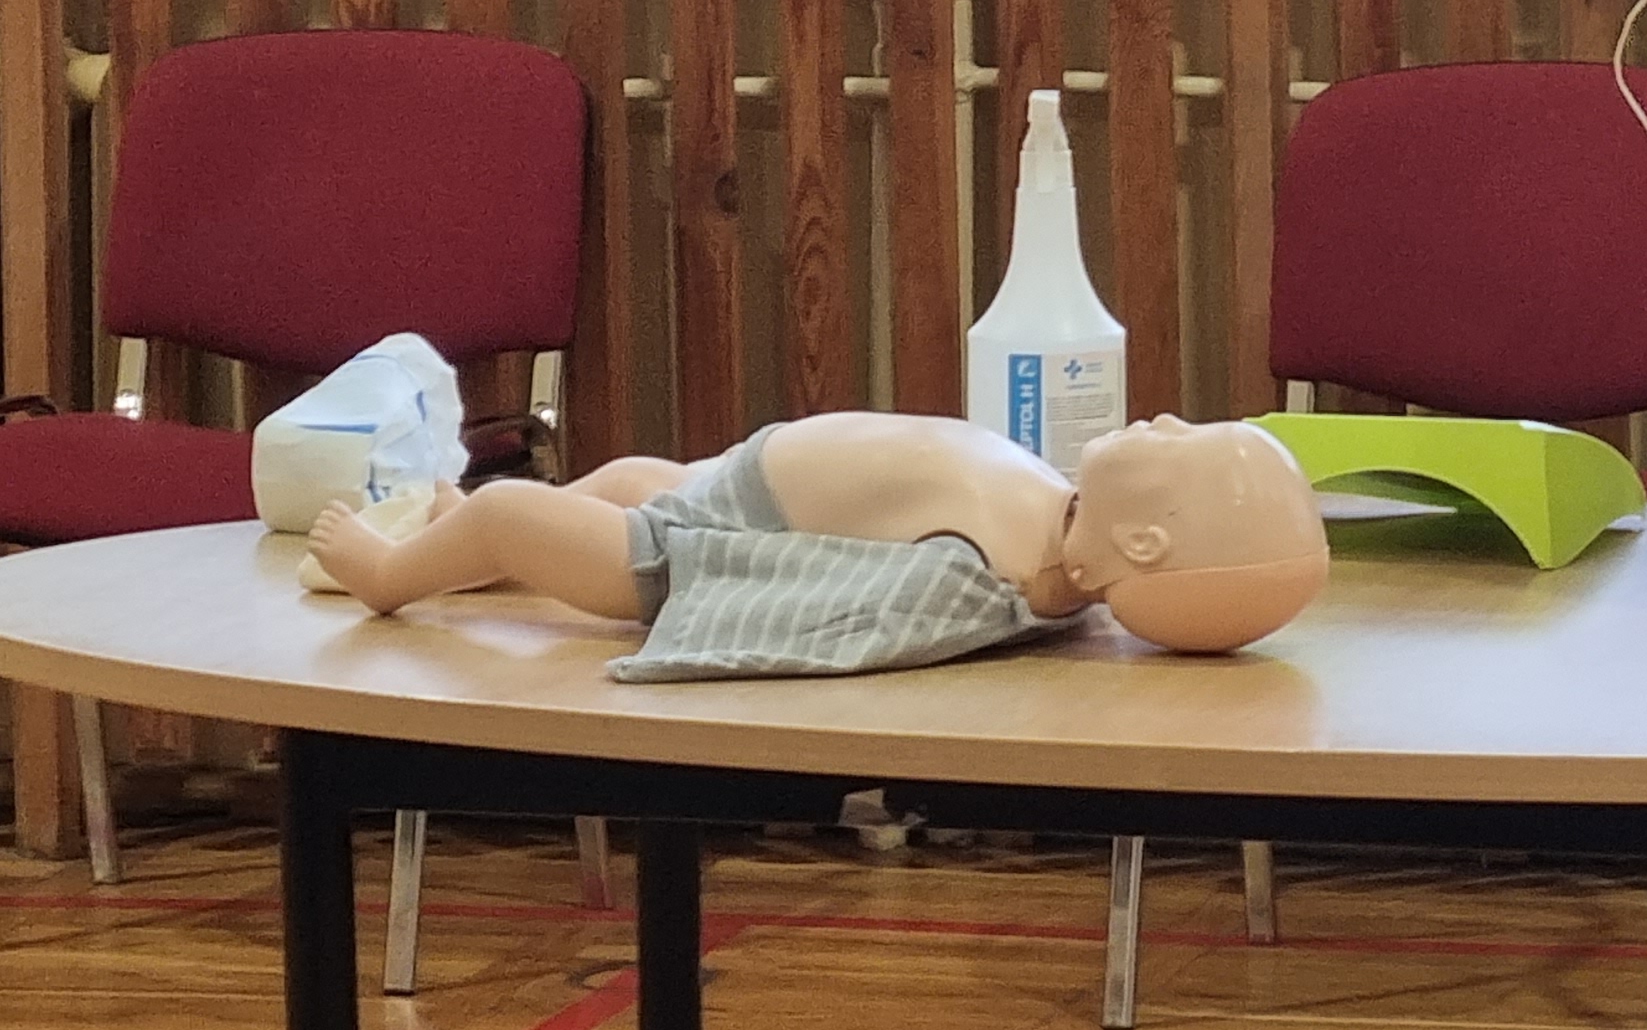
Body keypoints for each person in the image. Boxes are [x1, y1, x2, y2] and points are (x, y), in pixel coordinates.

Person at [306, 411, 1328, 674]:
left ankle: (391, 573)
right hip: (718, 489)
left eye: (1183, 443)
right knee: (620, 479)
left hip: (698, 547)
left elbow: (850, 610)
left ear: (1141, 541)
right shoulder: (1055, 523)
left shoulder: (997, 577)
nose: (1165, 419)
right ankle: (464, 558)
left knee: (512, 513)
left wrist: (707, 599)